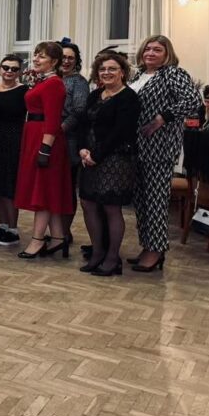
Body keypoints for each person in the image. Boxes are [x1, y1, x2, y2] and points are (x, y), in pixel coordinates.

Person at [127, 35, 201, 272]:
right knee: (141, 202)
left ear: (167, 54)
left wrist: (163, 117)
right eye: (148, 48)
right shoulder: (138, 76)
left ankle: (157, 250)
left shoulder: (172, 74)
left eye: (157, 50)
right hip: (136, 147)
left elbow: (193, 101)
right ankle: (147, 245)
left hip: (159, 148)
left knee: (156, 201)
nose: (150, 53)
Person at [79, 52, 139, 277]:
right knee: (88, 203)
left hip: (115, 159)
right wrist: (83, 149)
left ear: (122, 72)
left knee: (111, 207)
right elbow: (84, 124)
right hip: (90, 156)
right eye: (103, 69)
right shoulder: (95, 94)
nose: (107, 73)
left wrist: (96, 155)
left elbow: (121, 131)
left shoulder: (128, 98)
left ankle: (113, 258)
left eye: (112, 69)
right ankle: (97, 252)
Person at [14, 41, 72, 258]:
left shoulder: (54, 84)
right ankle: (58, 237)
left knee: (43, 191)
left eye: (42, 56)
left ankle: (37, 240)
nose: (36, 59)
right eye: (36, 55)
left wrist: (45, 149)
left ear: (54, 62)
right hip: (34, 134)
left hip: (45, 139)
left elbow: (53, 120)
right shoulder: (43, 81)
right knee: (47, 189)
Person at [0, 54, 28, 246]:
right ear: (0, 69)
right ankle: (2, 226)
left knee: (9, 187)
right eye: (6, 67)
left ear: (20, 72)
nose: (9, 71)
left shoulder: (24, 91)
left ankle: (13, 229)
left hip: (14, 142)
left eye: (14, 69)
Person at [59, 39, 89, 244]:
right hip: (48, 137)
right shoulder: (50, 79)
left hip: (67, 139)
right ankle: (54, 230)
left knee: (66, 187)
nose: (66, 61)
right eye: (63, 57)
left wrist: (59, 130)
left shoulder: (79, 82)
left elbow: (79, 112)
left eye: (71, 58)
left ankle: (64, 232)